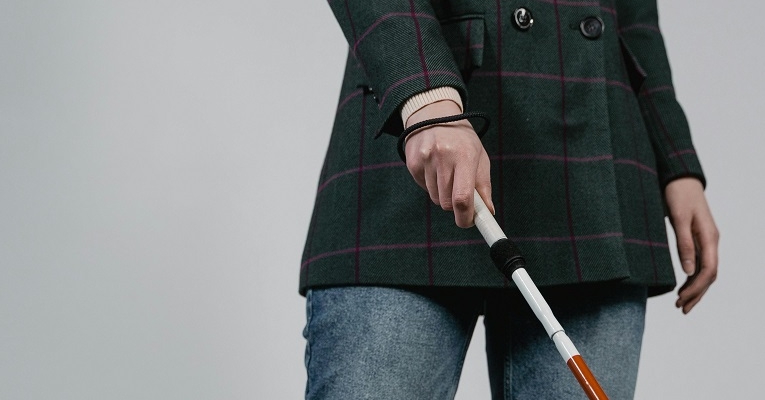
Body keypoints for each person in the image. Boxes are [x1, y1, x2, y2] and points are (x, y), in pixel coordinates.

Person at [299, 1, 719, 398]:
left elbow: (636, 16)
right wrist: (424, 93)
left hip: (593, 173)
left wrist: (676, 160)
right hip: (417, 149)